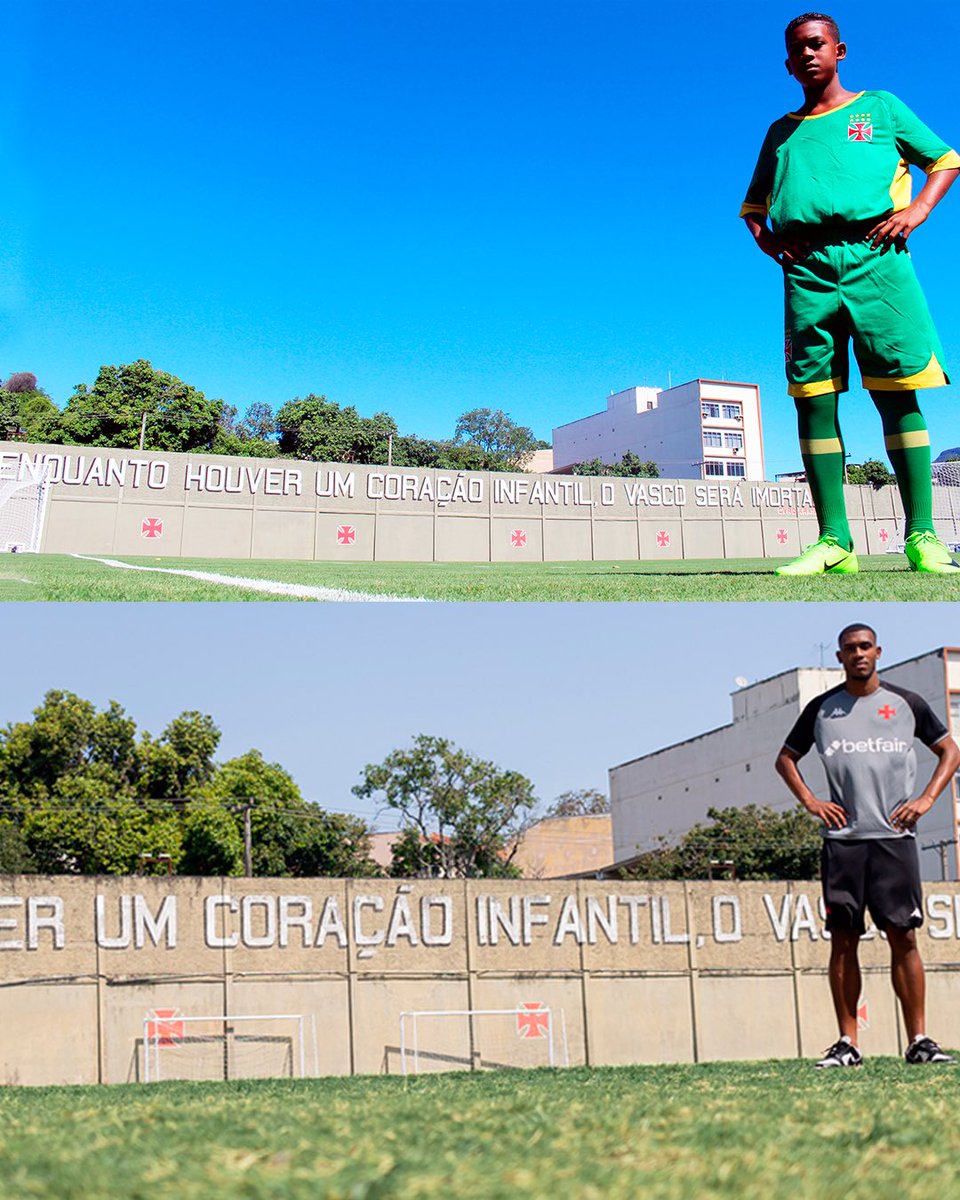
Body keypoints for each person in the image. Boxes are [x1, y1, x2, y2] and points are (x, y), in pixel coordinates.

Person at [741, 13, 960, 575]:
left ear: (839, 50)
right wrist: (772, 248)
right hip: (808, 272)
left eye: (817, 44)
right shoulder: (780, 132)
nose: (808, 54)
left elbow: (946, 159)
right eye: (797, 50)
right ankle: (834, 542)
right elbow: (753, 208)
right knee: (812, 398)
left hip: (878, 260)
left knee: (896, 391)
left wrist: (917, 210)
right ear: (788, 64)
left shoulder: (880, 108)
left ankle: (922, 538)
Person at [775, 623, 960, 1066]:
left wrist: (927, 799)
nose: (858, 654)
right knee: (843, 940)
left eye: (864, 647)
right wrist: (812, 802)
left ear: (878, 651)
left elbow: (950, 750)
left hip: (894, 838)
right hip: (843, 843)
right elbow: (785, 759)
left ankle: (919, 1041)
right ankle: (848, 1043)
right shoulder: (822, 710)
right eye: (849, 649)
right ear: (839, 658)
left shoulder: (906, 704)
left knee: (904, 936)